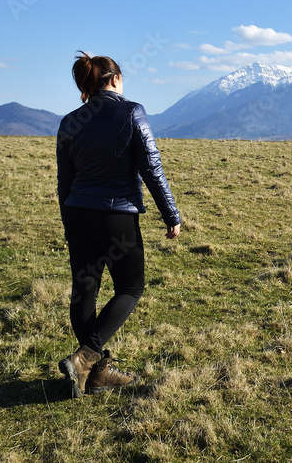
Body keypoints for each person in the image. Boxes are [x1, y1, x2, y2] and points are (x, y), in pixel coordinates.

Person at [56, 51, 181, 397]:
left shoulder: (69, 122)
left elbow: (64, 182)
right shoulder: (131, 112)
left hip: (78, 213)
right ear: (114, 80)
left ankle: (96, 373)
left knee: (85, 290)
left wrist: (69, 225)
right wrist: (171, 215)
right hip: (116, 216)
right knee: (130, 287)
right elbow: (151, 169)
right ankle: (85, 359)